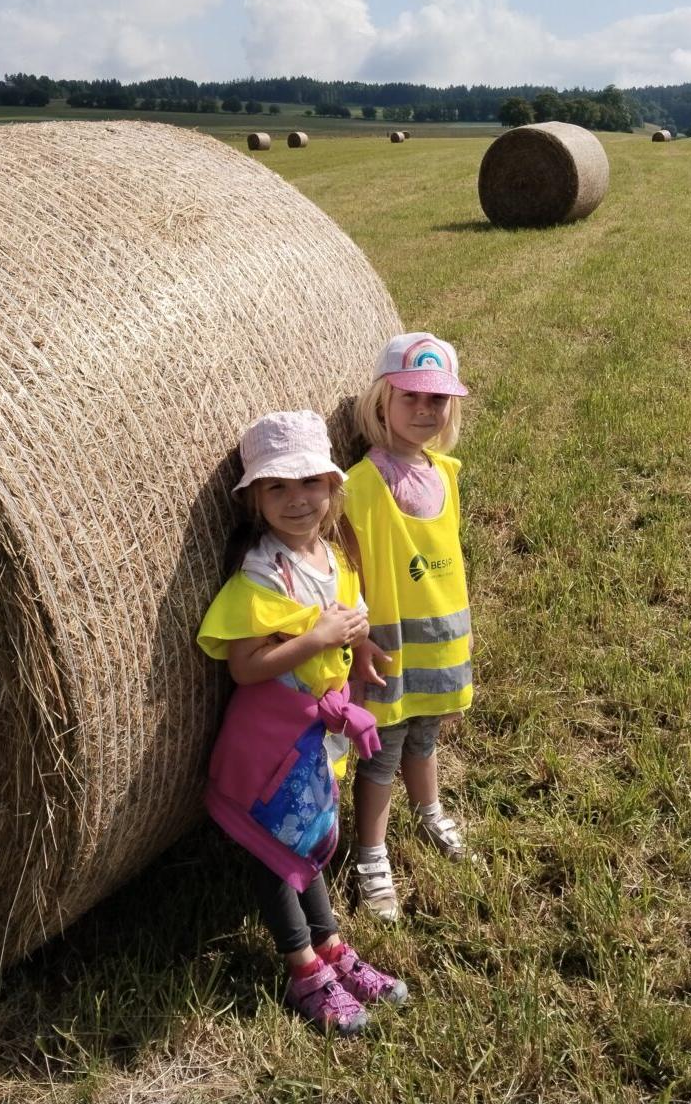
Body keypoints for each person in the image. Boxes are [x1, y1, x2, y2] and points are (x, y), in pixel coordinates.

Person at [199, 410, 408, 1036]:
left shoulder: (331, 555)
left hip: (310, 739)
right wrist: (317, 637)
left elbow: (348, 614)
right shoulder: (263, 574)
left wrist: (359, 647)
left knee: (306, 841)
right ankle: (302, 969)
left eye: (310, 483)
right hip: (269, 747)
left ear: (332, 488)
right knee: (276, 854)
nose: (297, 500)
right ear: (256, 501)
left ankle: (333, 947)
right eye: (278, 488)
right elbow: (245, 666)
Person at [344, 334, 474, 922]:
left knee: (425, 736)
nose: (425, 410)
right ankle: (371, 854)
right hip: (388, 648)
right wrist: (358, 638)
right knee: (382, 752)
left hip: (441, 640)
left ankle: (429, 812)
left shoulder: (445, 473)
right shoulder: (362, 484)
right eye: (410, 397)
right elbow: (346, 570)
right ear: (382, 401)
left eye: (437, 400)